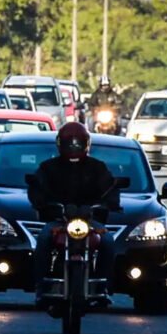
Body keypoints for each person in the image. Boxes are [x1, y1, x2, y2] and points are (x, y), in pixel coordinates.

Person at [28, 122, 120, 302]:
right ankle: (40, 284)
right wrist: (50, 206)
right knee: (44, 238)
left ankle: (104, 286)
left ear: (86, 144)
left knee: (108, 241)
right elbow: (37, 190)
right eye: (69, 143)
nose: (74, 147)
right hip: (59, 221)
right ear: (60, 143)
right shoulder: (48, 168)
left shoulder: (98, 167)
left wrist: (104, 205)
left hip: (90, 222)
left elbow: (110, 190)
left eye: (78, 143)